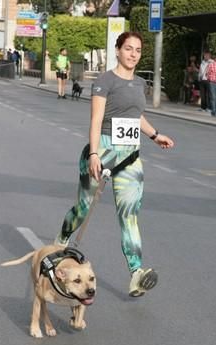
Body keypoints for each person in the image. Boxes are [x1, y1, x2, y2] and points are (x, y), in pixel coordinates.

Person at [54, 31, 175, 297]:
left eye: (138, 50)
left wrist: (155, 135)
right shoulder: (104, 81)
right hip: (103, 153)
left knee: (129, 217)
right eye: (128, 48)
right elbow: (96, 120)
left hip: (131, 158)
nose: (133, 54)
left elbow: (135, 116)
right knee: (83, 210)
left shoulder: (140, 83)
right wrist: (94, 154)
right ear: (118, 50)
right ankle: (61, 241)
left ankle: (136, 274)